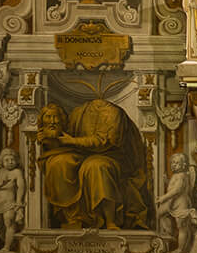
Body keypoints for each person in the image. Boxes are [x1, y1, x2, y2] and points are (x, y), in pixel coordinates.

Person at [38, 97, 155, 231]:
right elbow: (64, 136)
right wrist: (49, 139)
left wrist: (72, 141)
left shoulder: (114, 113)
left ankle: (110, 220)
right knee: (59, 163)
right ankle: (74, 218)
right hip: (81, 155)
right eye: (49, 117)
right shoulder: (78, 112)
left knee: (96, 166)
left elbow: (105, 142)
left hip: (112, 157)